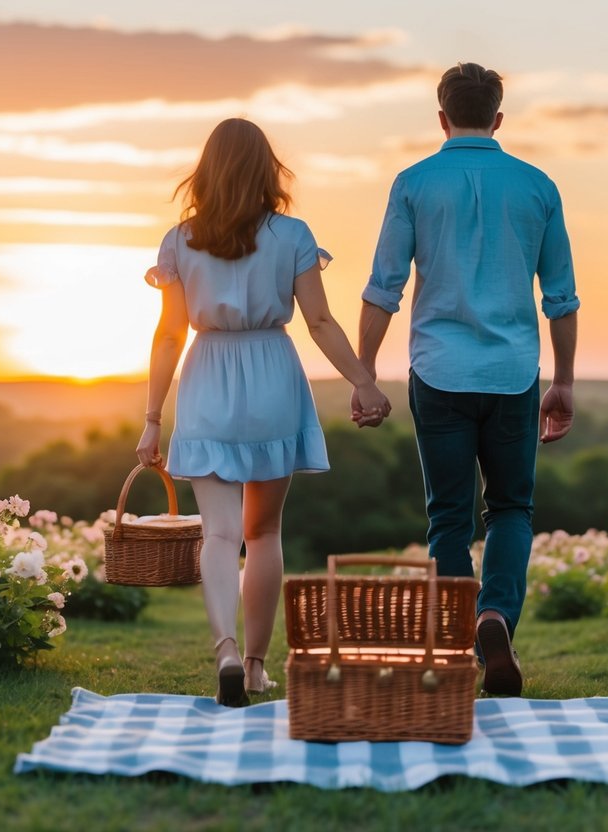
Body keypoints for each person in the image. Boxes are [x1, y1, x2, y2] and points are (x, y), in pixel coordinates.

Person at [136, 118, 391, 707]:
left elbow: (169, 335)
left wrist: (153, 418)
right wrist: (363, 382)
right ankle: (253, 667)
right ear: (266, 170)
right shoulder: (294, 234)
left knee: (220, 533)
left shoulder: (179, 241)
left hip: (207, 378)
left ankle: (224, 647)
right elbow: (320, 321)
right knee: (265, 530)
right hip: (272, 372)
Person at [353, 62, 580, 697]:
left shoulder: (413, 183)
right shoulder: (537, 186)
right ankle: (495, 616)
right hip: (513, 374)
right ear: (498, 119)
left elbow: (383, 289)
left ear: (443, 117)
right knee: (510, 508)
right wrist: (562, 381)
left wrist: (365, 372)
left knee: (448, 518)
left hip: (439, 372)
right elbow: (560, 298)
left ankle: (459, 642)